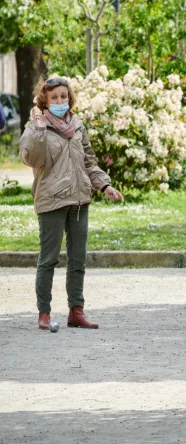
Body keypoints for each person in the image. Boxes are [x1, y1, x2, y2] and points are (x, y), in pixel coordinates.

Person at [19, 76, 124, 331]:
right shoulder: (36, 126)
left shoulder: (77, 126)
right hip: (51, 201)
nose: (59, 101)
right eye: (54, 97)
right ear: (45, 99)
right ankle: (44, 313)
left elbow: (89, 162)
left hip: (79, 201)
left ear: (69, 98)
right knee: (48, 260)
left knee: (78, 260)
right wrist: (39, 128)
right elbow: (30, 159)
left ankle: (76, 311)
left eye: (63, 97)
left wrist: (105, 185)